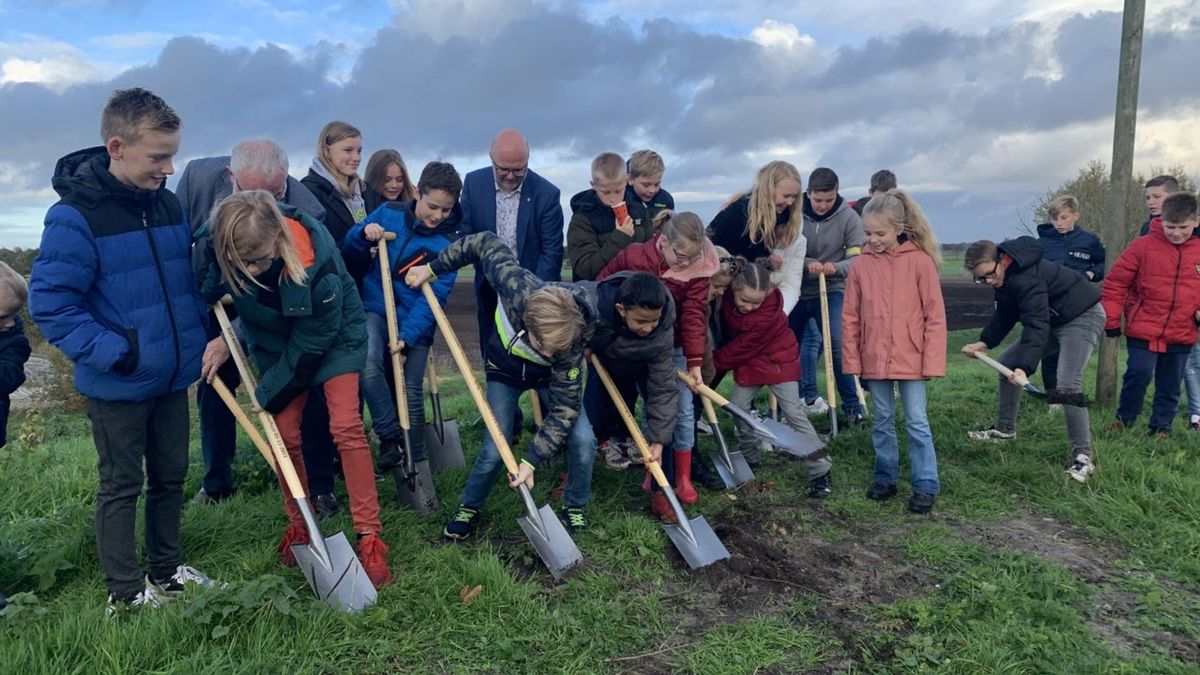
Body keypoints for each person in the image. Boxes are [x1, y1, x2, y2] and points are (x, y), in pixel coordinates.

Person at [29, 88, 213, 611]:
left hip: (174, 374)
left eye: (172, 154)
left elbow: (183, 281)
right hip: (119, 381)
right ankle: (127, 592)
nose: (169, 167)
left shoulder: (168, 203)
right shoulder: (73, 216)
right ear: (117, 146)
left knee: (172, 476)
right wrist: (117, 352)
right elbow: (51, 304)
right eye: (158, 156)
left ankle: (168, 569)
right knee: (122, 485)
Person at [196, 190, 392, 588]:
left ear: (280, 240)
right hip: (274, 344)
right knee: (283, 438)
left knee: (346, 426)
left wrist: (267, 394)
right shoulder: (214, 245)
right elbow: (203, 285)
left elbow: (310, 347)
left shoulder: (316, 266)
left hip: (333, 339)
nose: (252, 269)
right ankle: (299, 525)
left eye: (261, 261)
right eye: (242, 263)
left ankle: (370, 536)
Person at [177, 139, 338, 511]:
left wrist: (233, 336)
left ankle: (319, 485)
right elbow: (180, 248)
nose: (265, 205)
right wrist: (211, 329)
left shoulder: (306, 210)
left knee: (306, 383)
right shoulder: (198, 180)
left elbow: (294, 298)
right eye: (254, 193)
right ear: (231, 175)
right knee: (214, 381)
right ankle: (216, 483)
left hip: (280, 306)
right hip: (217, 294)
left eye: (274, 193)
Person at [405, 232, 599, 538]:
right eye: (541, 345)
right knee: (495, 448)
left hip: (550, 378)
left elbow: (564, 409)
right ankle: (469, 505)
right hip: (504, 371)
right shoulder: (515, 286)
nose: (547, 354)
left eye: (555, 349)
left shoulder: (571, 343)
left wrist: (531, 460)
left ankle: (574, 504)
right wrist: (431, 269)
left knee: (584, 440)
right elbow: (482, 242)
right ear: (527, 320)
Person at [341, 162, 462, 487]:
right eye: (432, 206)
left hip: (416, 325)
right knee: (367, 362)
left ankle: (417, 465)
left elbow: (432, 298)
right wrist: (363, 234)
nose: (437, 215)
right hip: (376, 309)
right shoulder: (389, 213)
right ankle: (389, 435)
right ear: (418, 193)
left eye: (446, 209)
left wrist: (407, 339)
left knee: (409, 392)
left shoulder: (448, 246)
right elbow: (350, 245)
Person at [599, 211, 720, 503]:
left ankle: (683, 477)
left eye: (694, 256)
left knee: (684, 410)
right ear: (663, 241)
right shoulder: (634, 256)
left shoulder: (698, 269)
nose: (687, 263)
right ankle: (652, 472)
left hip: (674, 345)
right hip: (635, 342)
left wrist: (694, 362)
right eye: (681, 255)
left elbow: (693, 315)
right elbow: (604, 287)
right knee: (652, 405)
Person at [962, 236, 1104, 483]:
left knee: (1067, 386)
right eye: (980, 279)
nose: (988, 281)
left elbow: (1035, 324)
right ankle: (1005, 430)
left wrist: (1024, 368)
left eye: (989, 274)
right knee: (1006, 362)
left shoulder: (1027, 276)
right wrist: (984, 342)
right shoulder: (1005, 279)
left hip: (1082, 316)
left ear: (1002, 260)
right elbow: (1005, 315)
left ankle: (1083, 456)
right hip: (1054, 318)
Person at [842, 190, 946, 513]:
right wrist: (853, 361)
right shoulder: (859, 267)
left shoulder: (921, 263)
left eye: (879, 233)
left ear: (899, 228)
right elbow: (850, 318)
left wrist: (932, 362)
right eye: (867, 233)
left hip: (912, 358)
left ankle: (925, 483)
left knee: (917, 421)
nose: (871, 239)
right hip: (874, 358)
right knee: (882, 420)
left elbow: (934, 316)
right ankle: (885, 477)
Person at [712, 259, 833, 497]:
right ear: (734, 288)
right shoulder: (725, 295)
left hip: (779, 362)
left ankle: (820, 469)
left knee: (794, 414)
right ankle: (749, 457)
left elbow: (741, 347)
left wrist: (711, 364)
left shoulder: (767, 315)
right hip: (750, 363)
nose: (749, 307)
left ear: (767, 293)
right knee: (737, 408)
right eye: (744, 301)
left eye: (756, 302)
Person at [1102, 193, 1200, 439]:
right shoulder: (1142, 246)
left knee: (1170, 384)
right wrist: (1112, 320)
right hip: (1144, 326)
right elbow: (1115, 284)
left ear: (1196, 221)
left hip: (1182, 329)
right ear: (1161, 220)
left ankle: (1161, 428)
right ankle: (1124, 419)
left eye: (1183, 227)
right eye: (1170, 227)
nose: (1176, 233)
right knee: (1138, 373)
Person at [458, 129, 565, 356]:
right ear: (491, 159)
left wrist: (532, 296)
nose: (509, 176)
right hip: (489, 291)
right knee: (493, 359)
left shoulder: (547, 194)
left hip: (533, 292)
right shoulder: (473, 184)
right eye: (503, 169)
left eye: (518, 170)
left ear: (527, 160)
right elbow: (465, 237)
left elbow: (551, 252)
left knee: (538, 362)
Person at [582, 272, 679, 518]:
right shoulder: (592, 305)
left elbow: (663, 391)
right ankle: (573, 478)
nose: (648, 328)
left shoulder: (661, 331)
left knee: (664, 433)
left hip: (643, 363)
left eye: (653, 321)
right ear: (621, 309)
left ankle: (662, 493)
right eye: (641, 321)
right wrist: (582, 345)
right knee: (588, 419)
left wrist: (657, 440)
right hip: (602, 359)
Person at [793, 168, 868, 423]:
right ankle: (790, 407)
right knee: (789, 348)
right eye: (817, 200)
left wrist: (836, 268)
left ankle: (852, 407)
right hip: (796, 288)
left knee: (838, 345)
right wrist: (807, 263)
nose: (823, 205)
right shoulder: (793, 213)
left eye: (828, 199)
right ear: (808, 193)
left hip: (832, 287)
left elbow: (858, 257)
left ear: (836, 193)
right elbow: (784, 249)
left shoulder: (848, 217)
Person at [706, 160, 807, 314]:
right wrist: (767, 259)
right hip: (719, 282)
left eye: (794, 197)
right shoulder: (740, 215)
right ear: (768, 189)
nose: (790, 202)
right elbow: (741, 255)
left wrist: (768, 257)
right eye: (786, 196)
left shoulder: (779, 217)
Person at [566, 152, 650, 281]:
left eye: (618, 191)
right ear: (593, 185)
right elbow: (585, 269)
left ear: (627, 181)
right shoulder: (581, 220)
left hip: (635, 292)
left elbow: (650, 256)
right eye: (606, 192)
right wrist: (620, 237)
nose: (613, 199)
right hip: (596, 293)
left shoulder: (639, 211)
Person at [301, 121, 366, 246]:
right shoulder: (310, 192)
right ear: (327, 151)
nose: (356, 158)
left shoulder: (366, 191)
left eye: (359, 151)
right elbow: (317, 246)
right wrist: (361, 248)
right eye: (348, 150)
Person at [0, 262, 31, 451]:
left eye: (14, 314)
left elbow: (10, 375)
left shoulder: (14, 342)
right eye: (3, 316)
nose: (10, 323)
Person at [625, 149, 675, 229]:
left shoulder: (666, 200)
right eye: (646, 185)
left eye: (657, 184)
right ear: (630, 179)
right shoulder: (621, 198)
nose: (652, 190)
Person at [363, 149, 416, 213]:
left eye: (399, 180)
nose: (394, 185)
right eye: (387, 180)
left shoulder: (415, 205)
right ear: (374, 179)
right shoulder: (361, 206)